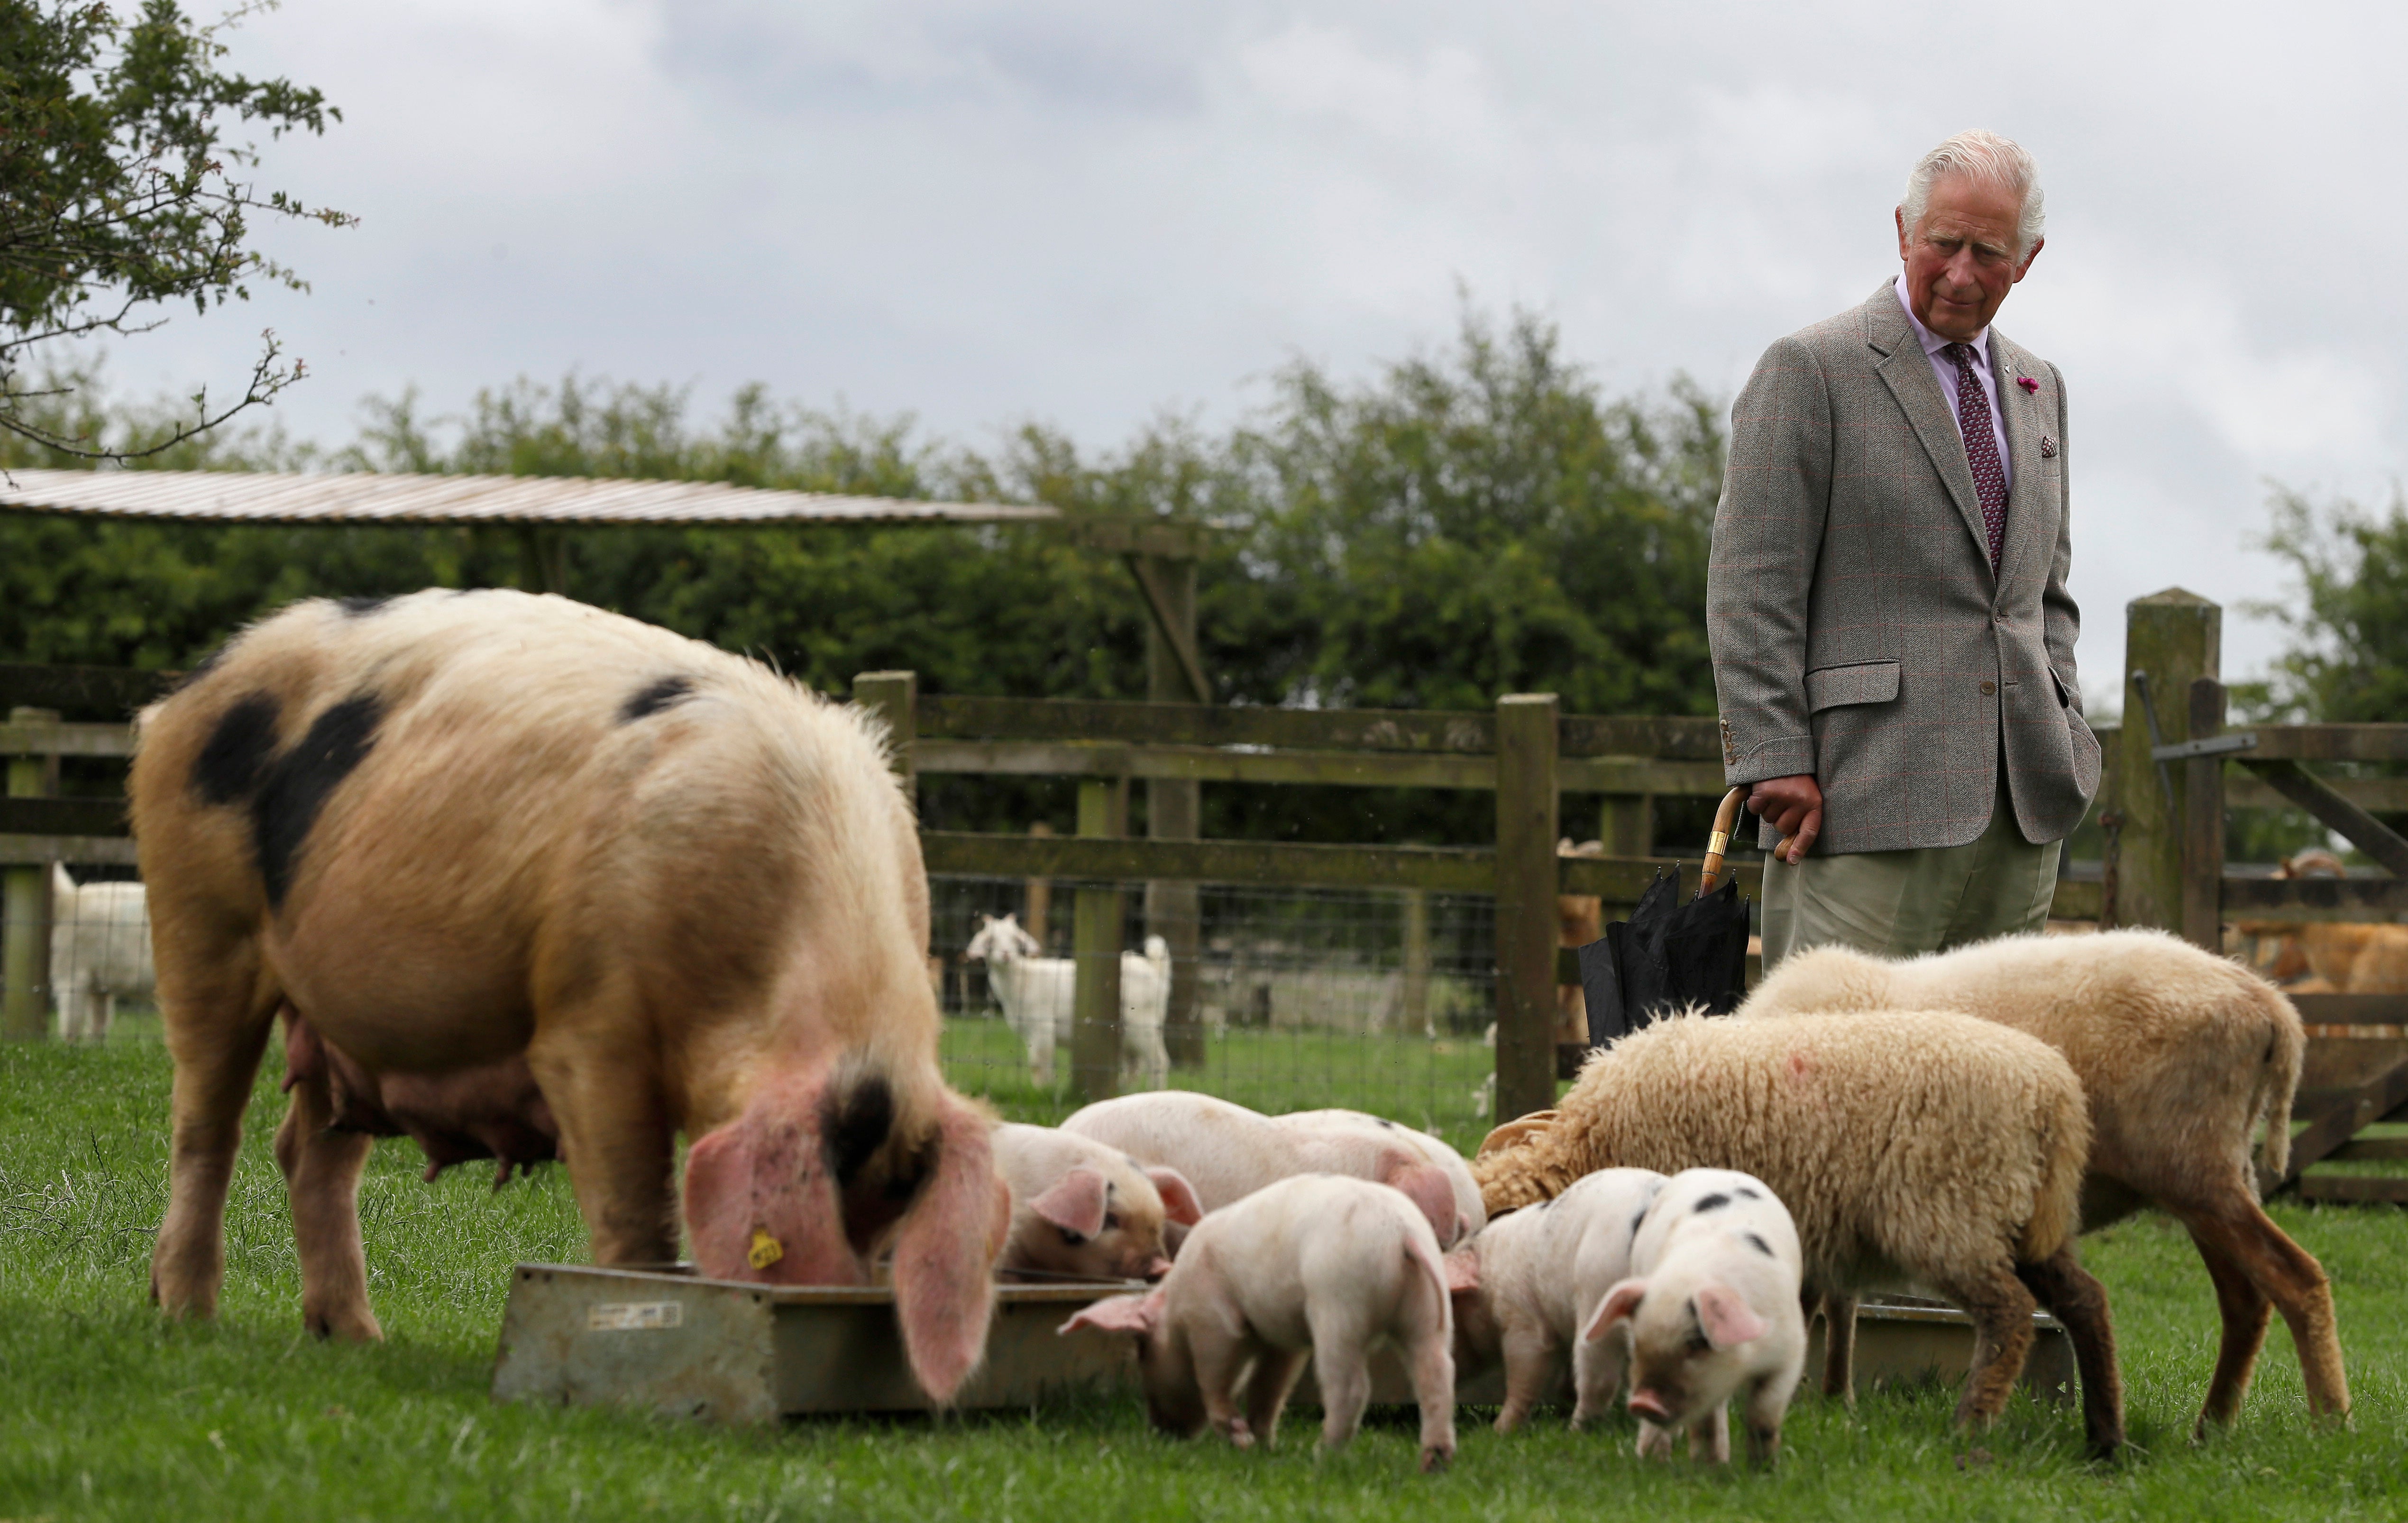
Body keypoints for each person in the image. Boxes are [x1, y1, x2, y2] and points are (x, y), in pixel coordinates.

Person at [1706, 128, 2100, 967]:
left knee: (1986, 1082)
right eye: (1944, 244)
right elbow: (1752, 584)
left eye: (1988, 253)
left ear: (2027, 258)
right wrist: (1773, 756)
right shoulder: (1810, 368)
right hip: (1860, 799)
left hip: (2021, 808)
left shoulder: (2042, 388)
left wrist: (2062, 716)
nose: (1961, 273)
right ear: (1902, 232)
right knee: (1833, 1079)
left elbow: (2044, 592)